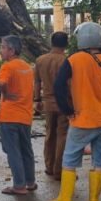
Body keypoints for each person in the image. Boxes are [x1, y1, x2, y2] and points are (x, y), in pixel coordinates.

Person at [48, 22, 101, 201]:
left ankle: (65, 200)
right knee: (100, 160)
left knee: (69, 159)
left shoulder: (74, 59)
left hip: (82, 119)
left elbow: (59, 86)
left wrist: (67, 109)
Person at [0, 35, 36, 196]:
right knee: (26, 150)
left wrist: (5, 94)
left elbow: (1, 83)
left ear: (11, 50)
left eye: (3, 47)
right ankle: (30, 182)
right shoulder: (26, 67)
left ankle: (19, 185)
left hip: (10, 116)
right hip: (25, 116)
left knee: (13, 151)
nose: (1, 51)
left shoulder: (8, 66)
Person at [35, 32, 69, 181]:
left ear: (51, 43)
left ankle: (49, 166)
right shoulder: (67, 61)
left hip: (47, 102)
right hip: (64, 103)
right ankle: (59, 170)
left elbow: (37, 82)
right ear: (66, 44)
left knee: (49, 134)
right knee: (62, 135)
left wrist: (37, 99)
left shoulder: (41, 60)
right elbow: (70, 84)